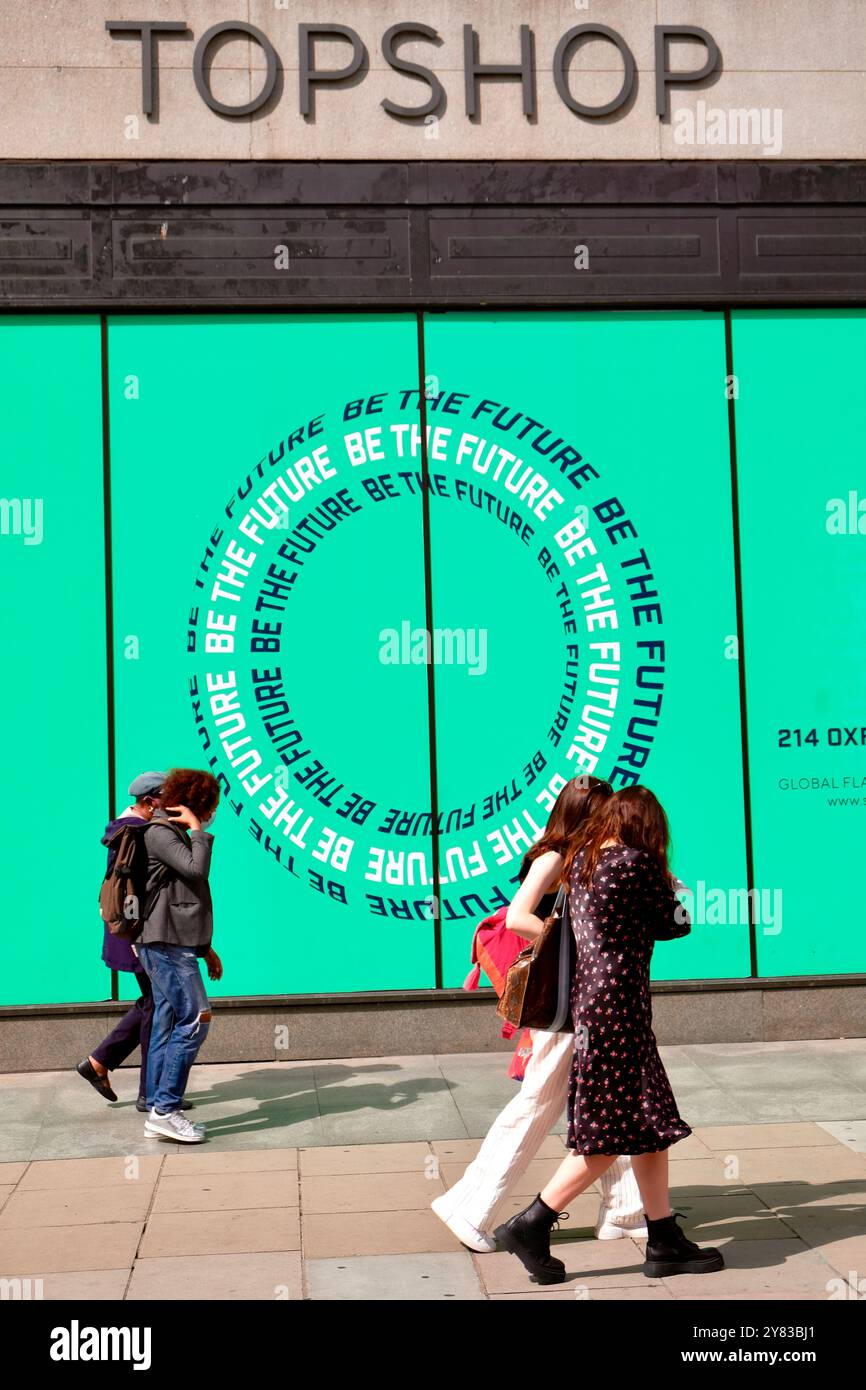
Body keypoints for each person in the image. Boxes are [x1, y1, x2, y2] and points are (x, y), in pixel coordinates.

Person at [495, 785, 725, 1284]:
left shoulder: (580, 863)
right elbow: (678, 923)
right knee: (613, 1129)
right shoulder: (636, 864)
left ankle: (663, 1237)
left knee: (650, 1124)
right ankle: (531, 1223)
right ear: (648, 826)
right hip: (621, 1007)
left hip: (597, 1005)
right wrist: (674, 883)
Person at [432, 776, 646, 1253]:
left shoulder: (585, 857)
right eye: (605, 810)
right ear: (586, 813)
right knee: (540, 1102)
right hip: (568, 1002)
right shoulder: (555, 856)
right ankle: (469, 1206)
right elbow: (517, 916)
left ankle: (626, 1210)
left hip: (583, 998)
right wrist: (578, 942)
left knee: (603, 1101)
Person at [75, 771, 189, 1113]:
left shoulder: (123, 827)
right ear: (152, 801)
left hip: (127, 931)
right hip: (139, 933)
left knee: (153, 1001)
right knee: (157, 1004)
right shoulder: (140, 833)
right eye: (169, 798)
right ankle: (149, 1092)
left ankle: (100, 1063)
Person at [136, 768, 223, 1144]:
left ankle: (158, 1102)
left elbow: (180, 897)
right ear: (195, 802)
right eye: (211, 805)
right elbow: (196, 870)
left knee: (168, 1021)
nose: (213, 812)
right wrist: (198, 831)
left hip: (173, 941)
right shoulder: (159, 833)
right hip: (164, 944)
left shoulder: (166, 832)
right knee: (196, 1019)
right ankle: (165, 1110)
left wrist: (204, 948)